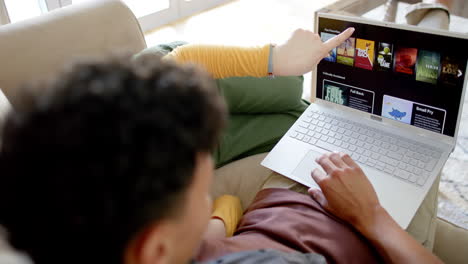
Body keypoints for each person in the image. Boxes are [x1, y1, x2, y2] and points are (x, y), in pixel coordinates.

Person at [0, 24, 443, 264]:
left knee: (162, 61)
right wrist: (373, 217)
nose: (207, 183)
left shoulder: (146, 247)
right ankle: (430, 20)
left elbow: (222, 210)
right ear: (154, 246)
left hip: (285, 204)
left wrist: (273, 59)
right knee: (415, 142)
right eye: (199, 183)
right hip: (354, 215)